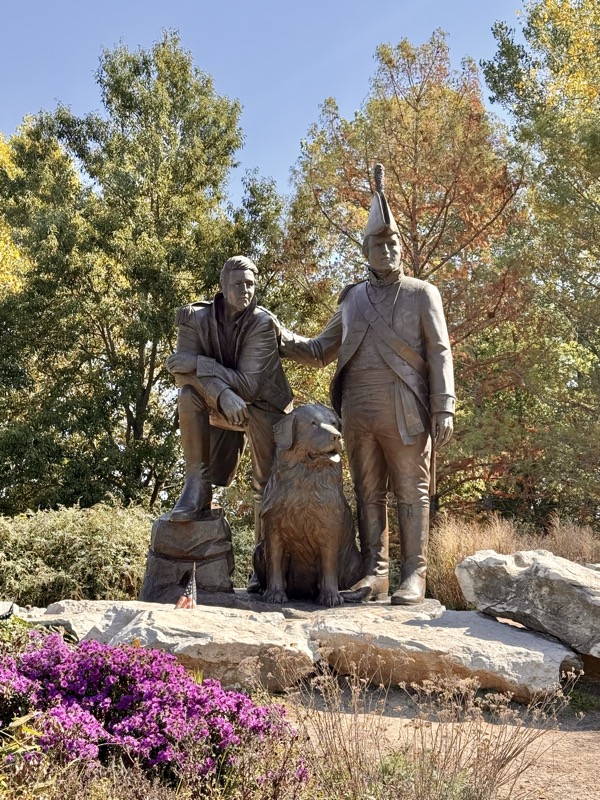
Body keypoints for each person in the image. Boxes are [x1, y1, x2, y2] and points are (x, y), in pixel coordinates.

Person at [280, 165, 455, 604]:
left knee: (411, 491)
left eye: (393, 242)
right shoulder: (352, 299)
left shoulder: (422, 294)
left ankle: (414, 573)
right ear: (366, 250)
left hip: (406, 407)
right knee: (367, 492)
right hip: (356, 410)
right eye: (379, 244)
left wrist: (444, 405)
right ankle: (375, 572)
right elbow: (322, 349)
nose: (388, 249)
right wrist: (277, 335)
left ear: (401, 248)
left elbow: (439, 351)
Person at [165, 255, 293, 589]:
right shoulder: (193, 317)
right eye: (238, 284)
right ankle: (197, 484)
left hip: (265, 407)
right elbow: (182, 373)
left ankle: (264, 569)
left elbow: (249, 386)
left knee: (266, 487)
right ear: (223, 287)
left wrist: (199, 363)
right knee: (188, 396)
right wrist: (221, 394)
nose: (245, 290)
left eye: (250, 284)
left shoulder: (262, 323)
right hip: (223, 404)